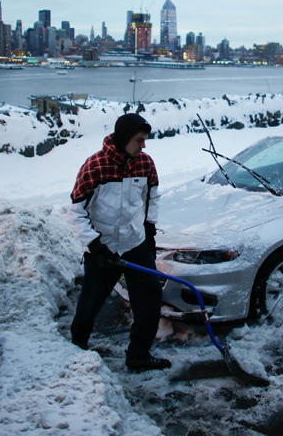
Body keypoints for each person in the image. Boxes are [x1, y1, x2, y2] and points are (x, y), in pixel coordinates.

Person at [68, 113, 171, 372]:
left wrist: (148, 230)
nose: (143, 146)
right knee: (91, 301)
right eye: (139, 140)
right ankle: (77, 346)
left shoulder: (145, 164)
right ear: (124, 138)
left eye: (145, 140)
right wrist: (95, 246)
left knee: (150, 299)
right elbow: (76, 212)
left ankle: (138, 355)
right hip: (103, 249)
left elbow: (153, 197)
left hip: (134, 244)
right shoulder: (95, 166)